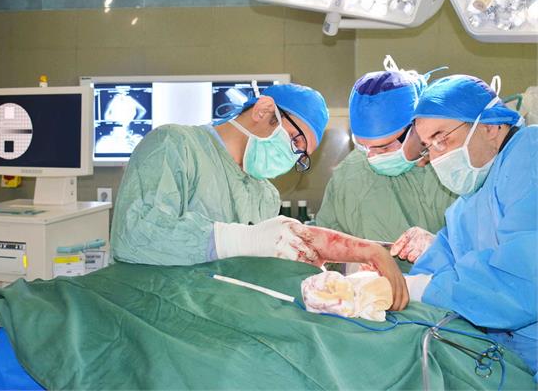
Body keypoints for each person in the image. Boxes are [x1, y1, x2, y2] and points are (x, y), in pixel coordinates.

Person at [397, 74, 537, 378]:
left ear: (490, 126)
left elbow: (524, 280)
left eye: (441, 138)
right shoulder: (470, 198)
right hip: (514, 361)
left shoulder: (531, 158)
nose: (436, 156)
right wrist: (397, 284)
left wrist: (426, 289)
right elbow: (445, 257)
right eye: (428, 146)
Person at [111, 83, 328, 266]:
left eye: (301, 155)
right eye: (295, 140)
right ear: (263, 111)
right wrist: (236, 241)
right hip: (151, 300)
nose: (292, 156)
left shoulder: (266, 196)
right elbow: (135, 235)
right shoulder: (174, 145)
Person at [317, 57, 457, 273]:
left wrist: (442, 249)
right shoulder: (349, 172)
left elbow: (488, 245)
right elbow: (327, 243)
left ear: (416, 127)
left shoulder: (455, 166)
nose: (373, 157)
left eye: (384, 147)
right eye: (364, 147)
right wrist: (347, 267)